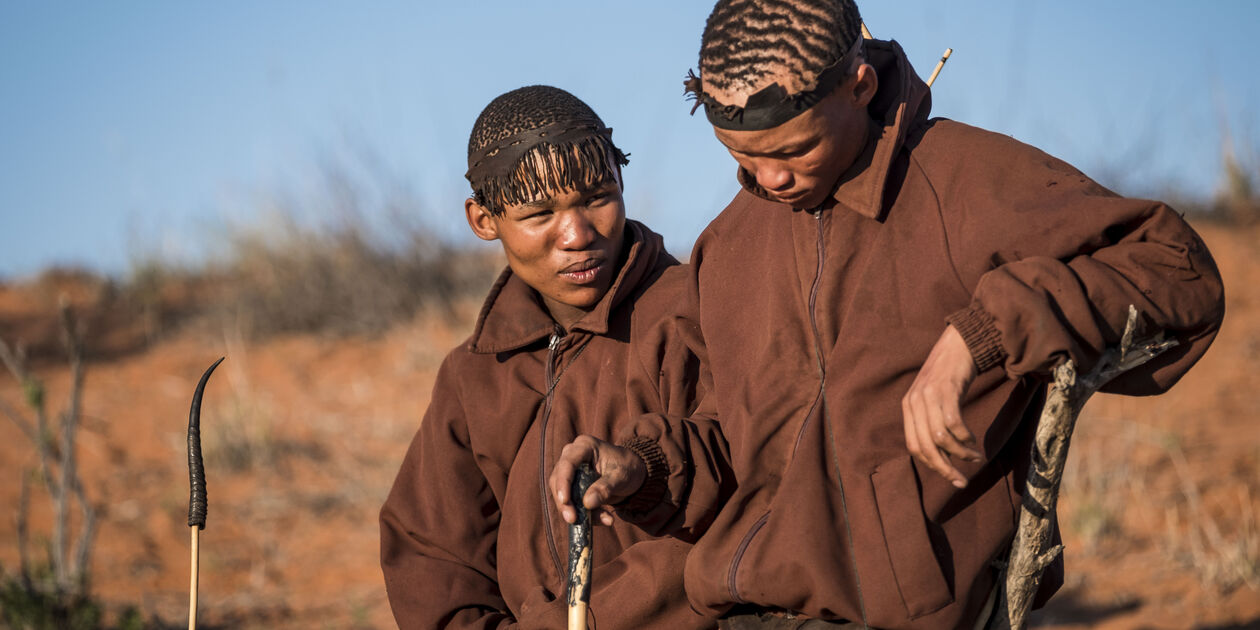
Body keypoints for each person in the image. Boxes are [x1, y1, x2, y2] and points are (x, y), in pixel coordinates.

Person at [549, 1, 1226, 628]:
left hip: (899, 613)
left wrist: (980, 336)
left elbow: (1176, 273)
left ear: (861, 86)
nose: (769, 181)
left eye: (792, 151)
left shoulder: (967, 180)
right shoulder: (729, 244)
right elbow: (731, 440)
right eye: (742, 158)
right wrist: (638, 465)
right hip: (740, 608)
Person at [380, 85, 725, 630]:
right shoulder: (473, 376)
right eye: (539, 213)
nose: (578, 235)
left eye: (597, 198)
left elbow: (738, 496)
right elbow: (433, 555)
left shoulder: (695, 312)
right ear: (483, 220)